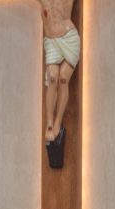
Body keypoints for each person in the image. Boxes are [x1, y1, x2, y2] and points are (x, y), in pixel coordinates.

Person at [40, 0, 80, 148]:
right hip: (51, 41)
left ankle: (57, 122)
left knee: (63, 79)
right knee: (52, 77)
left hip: (69, 39)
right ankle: (49, 123)